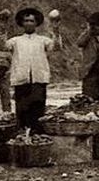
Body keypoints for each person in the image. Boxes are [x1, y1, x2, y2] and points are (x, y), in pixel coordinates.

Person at [6, 7, 64, 136]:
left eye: (32, 21)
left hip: (39, 79)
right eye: (26, 21)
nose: (29, 23)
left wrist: (56, 29)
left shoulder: (43, 40)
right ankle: (22, 136)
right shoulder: (16, 41)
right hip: (21, 80)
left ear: (36, 23)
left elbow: (57, 47)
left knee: (38, 110)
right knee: (22, 110)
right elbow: (2, 46)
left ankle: (37, 136)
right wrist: (4, 26)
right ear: (22, 23)